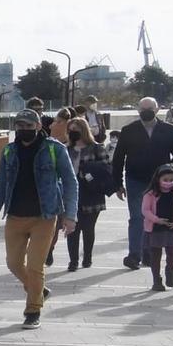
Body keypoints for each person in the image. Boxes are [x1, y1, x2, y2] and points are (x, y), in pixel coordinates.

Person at [0, 107, 78, 329]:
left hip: (44, 216)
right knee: (14, 263)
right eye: (20, 126)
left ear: (38, 126)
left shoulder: (54, 149)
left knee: (36, 266)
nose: (24, 130)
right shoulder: (9, 151)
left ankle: (33, 310)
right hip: (15, 215)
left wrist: (70, 216)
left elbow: (70, 182)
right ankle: (39, 290)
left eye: (29, 126)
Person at [111, 97, 173, 270]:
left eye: (149, 108)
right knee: (137, 217)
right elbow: (118, 159)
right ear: (138, 110)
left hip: (160, 183)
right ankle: (134, 255)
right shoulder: (129, 130)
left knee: (154, 216)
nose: (146, 111)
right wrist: (117, 183)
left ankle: (148, 254)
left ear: (157, 109)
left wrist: (169, 169)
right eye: (142, 108)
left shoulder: (169, 130)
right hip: (135, 180)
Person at [66, 116, 111, 272]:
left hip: (92, 192)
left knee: (88, 228)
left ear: (83, 131)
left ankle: (87, 257)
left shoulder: (96, 147)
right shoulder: (66, 149)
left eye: (76, 130)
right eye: (70, 130)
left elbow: (107, 168)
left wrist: (89, 170)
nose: (72, 133)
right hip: (72, 194)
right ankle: (73, 261)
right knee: (72, 228)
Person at [142, 163, 173, 292]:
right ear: (158, 179)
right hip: (155, 228)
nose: (168, 183)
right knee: (155, 255)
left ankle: (169, 270)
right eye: (165, 180)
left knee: (172, 253)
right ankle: (156, 280)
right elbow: (145, 210)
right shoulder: (150, 194)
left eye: (171, 180)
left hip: (172, 227)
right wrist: (157, 219)